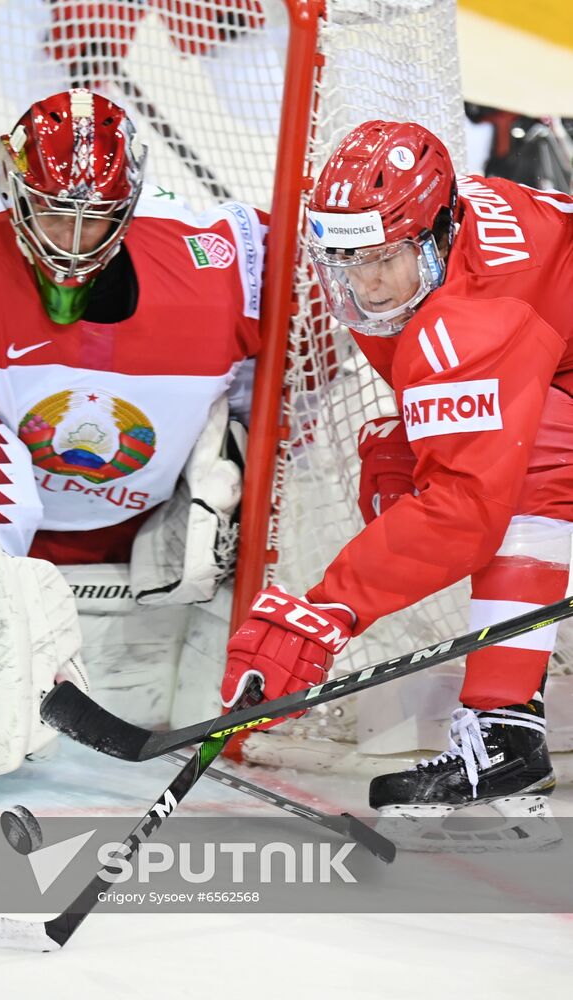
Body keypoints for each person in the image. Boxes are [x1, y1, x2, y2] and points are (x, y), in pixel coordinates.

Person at [0, 88, 265, 785]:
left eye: (99, 220)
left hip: (147, 532)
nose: (74, 241)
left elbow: (316, 355)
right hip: (26, 526)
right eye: (55, 214)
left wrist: (239, 450)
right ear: (11, 188)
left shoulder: (228, 261)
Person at [222, 118, 573, 819]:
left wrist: (324, 612)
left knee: (525, 461)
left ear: (438, 230)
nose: (369, 285)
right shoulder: (429, 232)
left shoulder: (472, 321)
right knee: (399, 454)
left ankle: (503, 728)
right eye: (348, 259)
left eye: (385, 258)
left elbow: (465, 512)